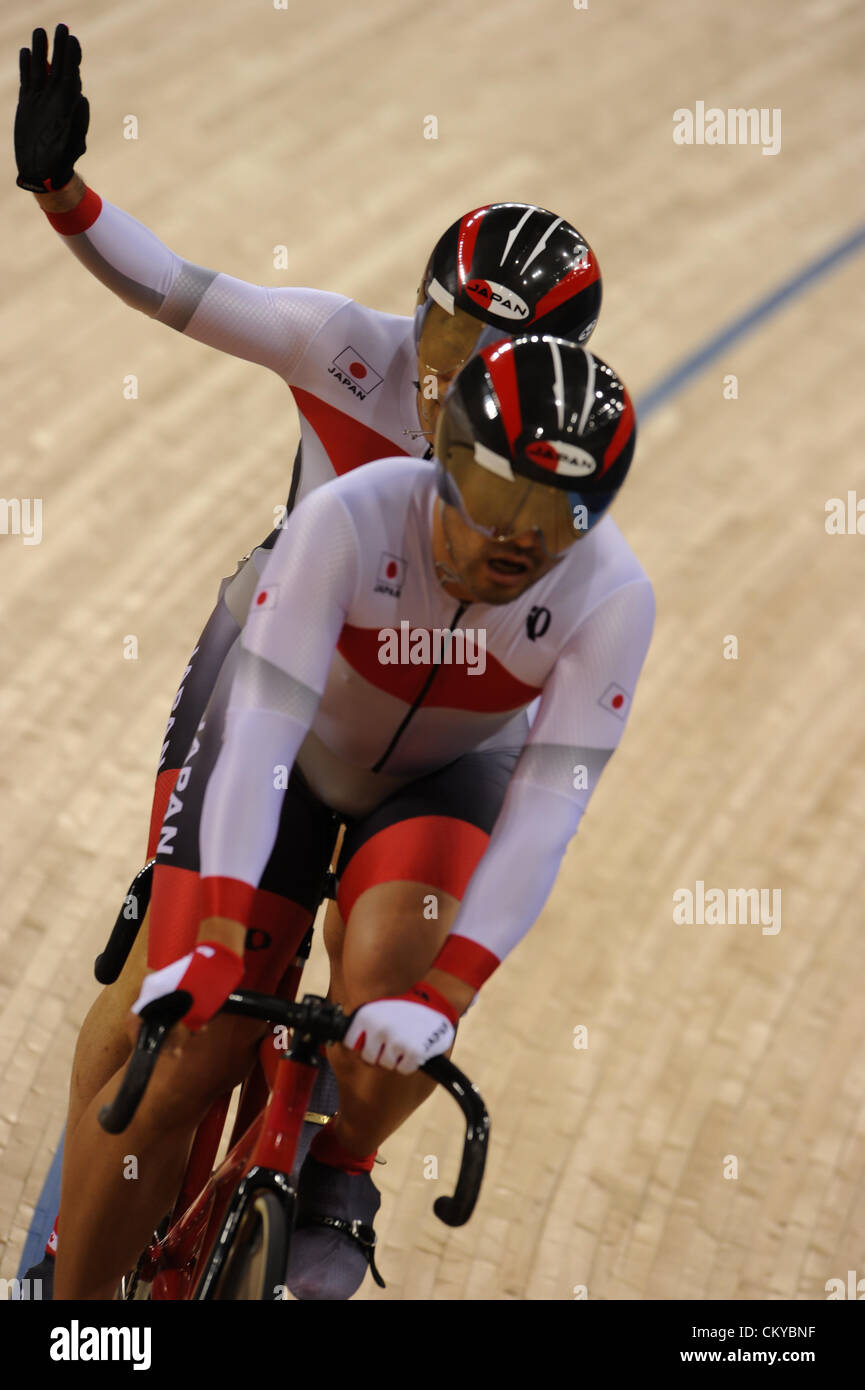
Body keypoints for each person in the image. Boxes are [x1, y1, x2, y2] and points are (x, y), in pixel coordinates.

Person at [15, 23, 606, 1294]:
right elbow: (175, 287)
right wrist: (67, 197)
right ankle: (59, 1296)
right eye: (439, 328)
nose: (443, 368)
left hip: (436, 739)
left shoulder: (549, 478)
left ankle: (339, 1171)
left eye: (481, 353)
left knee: (393, 988)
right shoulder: (349, 351)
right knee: (182, 1036)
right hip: (282, 677)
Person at [53, 333, 655, 1300]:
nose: (515, 545)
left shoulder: (615, 597)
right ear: (447, 462)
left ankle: (343, 1168)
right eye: (499, 504)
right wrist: (207, 938)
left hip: (444, 773)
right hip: (295, 754)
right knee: (179, 1063)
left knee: (393, 973)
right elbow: (254, 741)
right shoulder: (347, 520)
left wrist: (440, 1001)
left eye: (555, 525)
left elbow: (544, 816)